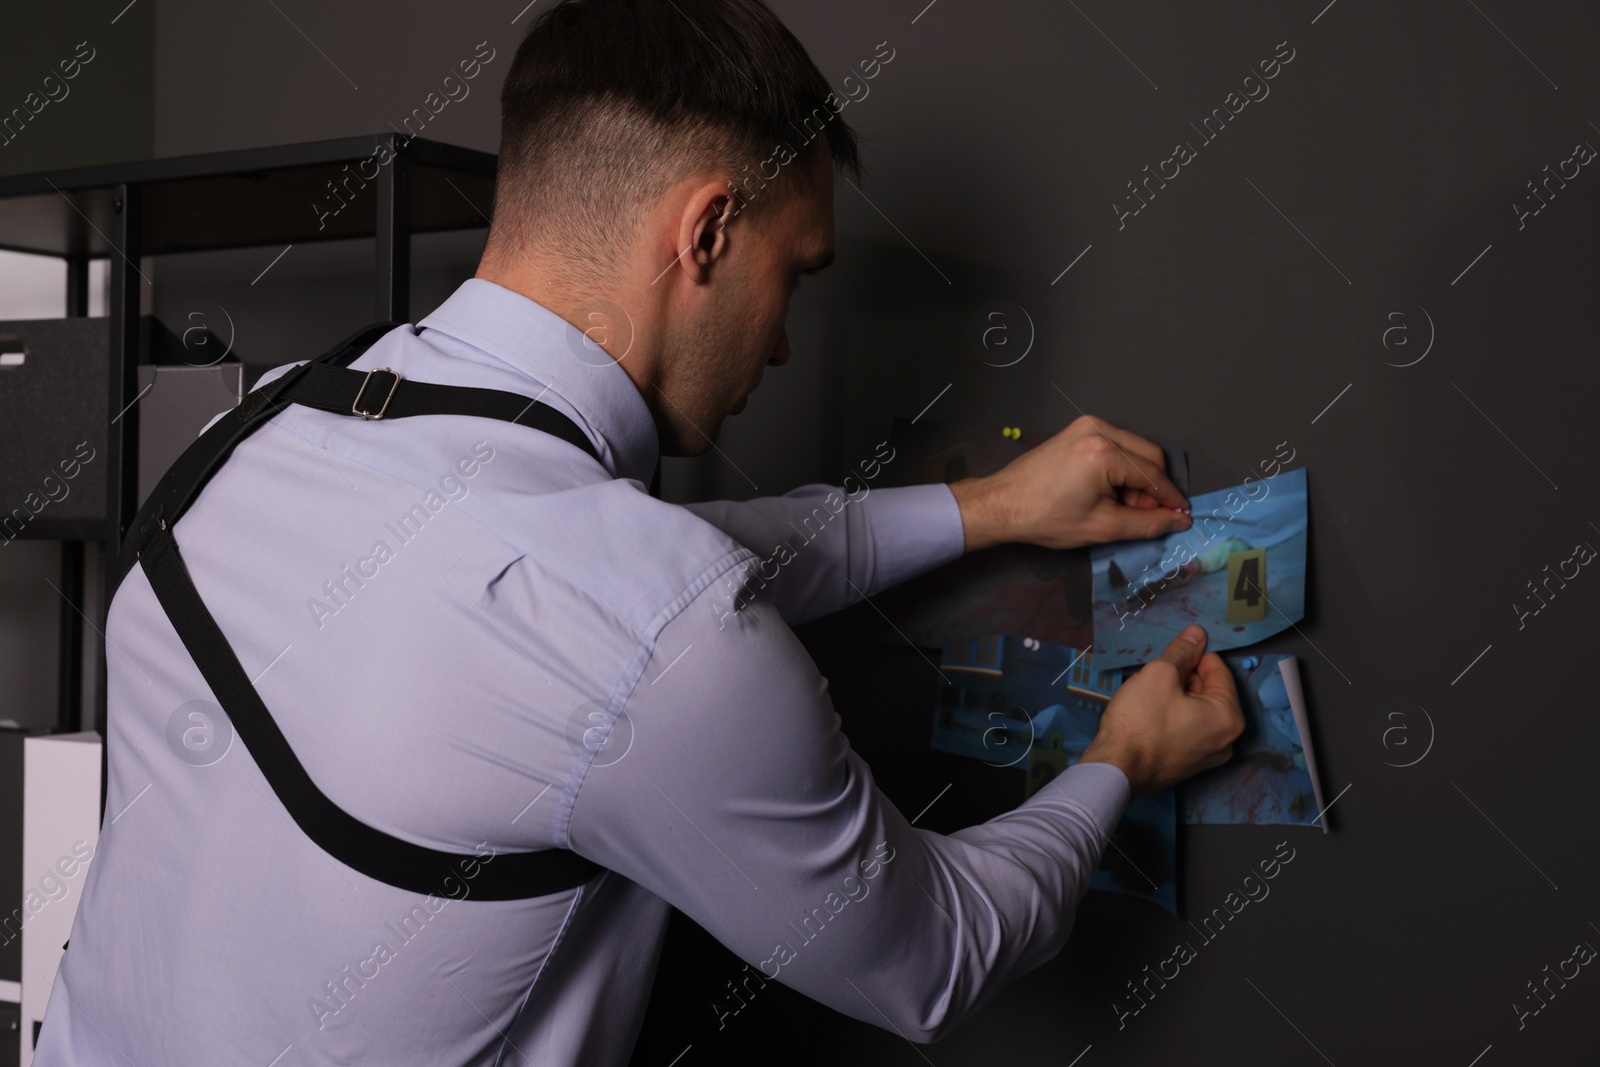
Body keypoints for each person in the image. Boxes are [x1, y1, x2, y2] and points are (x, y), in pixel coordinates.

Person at [33, 1, 1243, 1063]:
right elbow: (929, 956)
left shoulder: (264, 426)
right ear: (706, 233)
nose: (778, 343)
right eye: (797, 273)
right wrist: (1122, 759)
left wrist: (990, 507)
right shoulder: (645, 628)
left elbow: (624, 589)